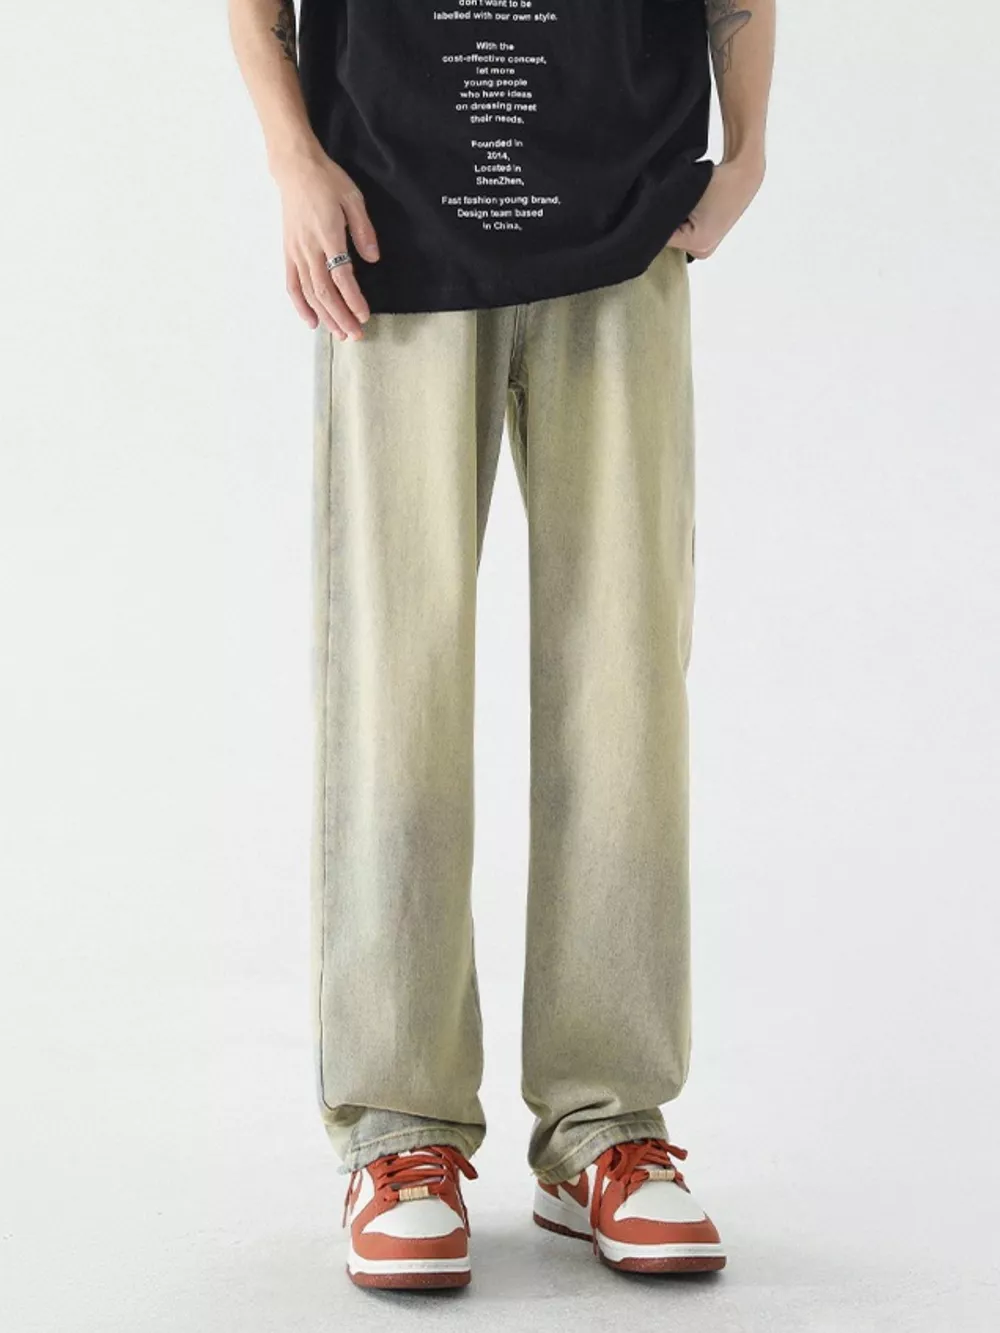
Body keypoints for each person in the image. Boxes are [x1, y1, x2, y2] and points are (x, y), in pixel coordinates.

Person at [230, 0, 774, 1292]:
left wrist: (750, 151)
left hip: (624, 218)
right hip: (389, 226)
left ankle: (605, 1125)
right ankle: (398, 1128)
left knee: (623, 678)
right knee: (395, 673)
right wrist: (291, 158)